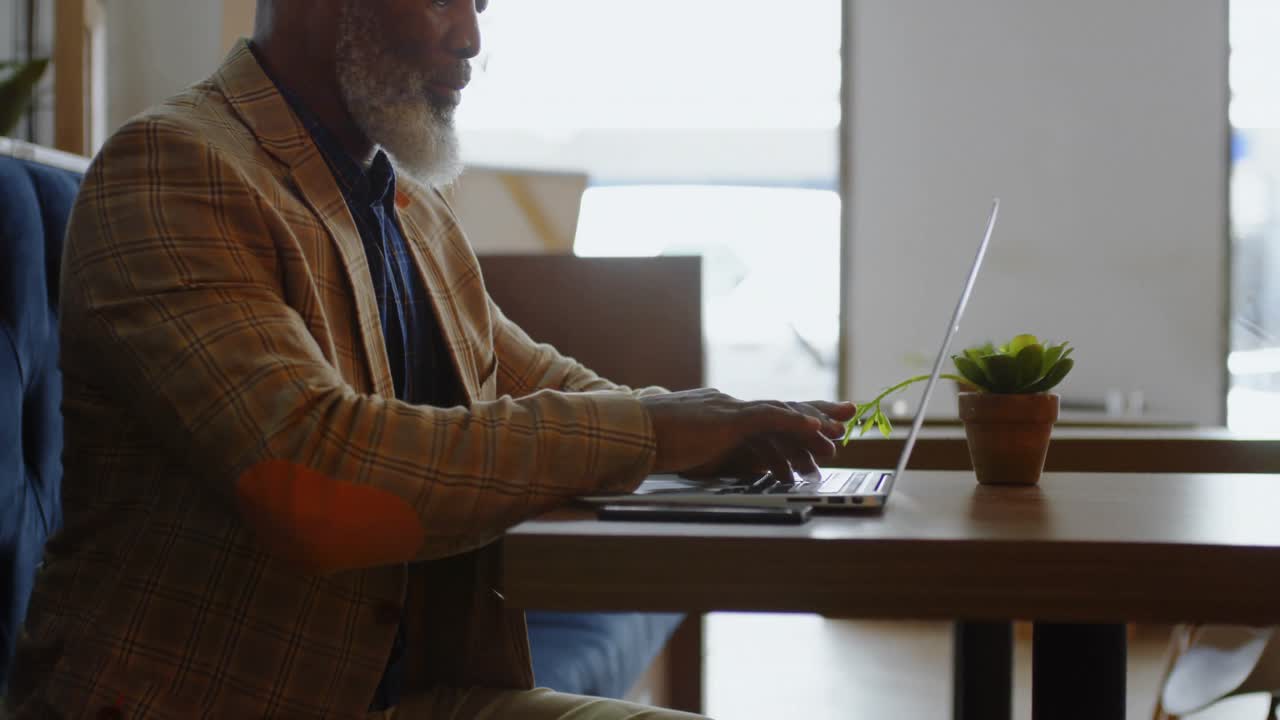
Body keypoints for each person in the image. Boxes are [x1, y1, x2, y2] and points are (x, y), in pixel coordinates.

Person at [7, 1, 856, 717]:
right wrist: (649, 428)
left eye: (480, 4)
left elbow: (524, 375)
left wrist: (719, 428)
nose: (473, 39)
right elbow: (313, 471)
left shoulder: (405, 198)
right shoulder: (173, 167)